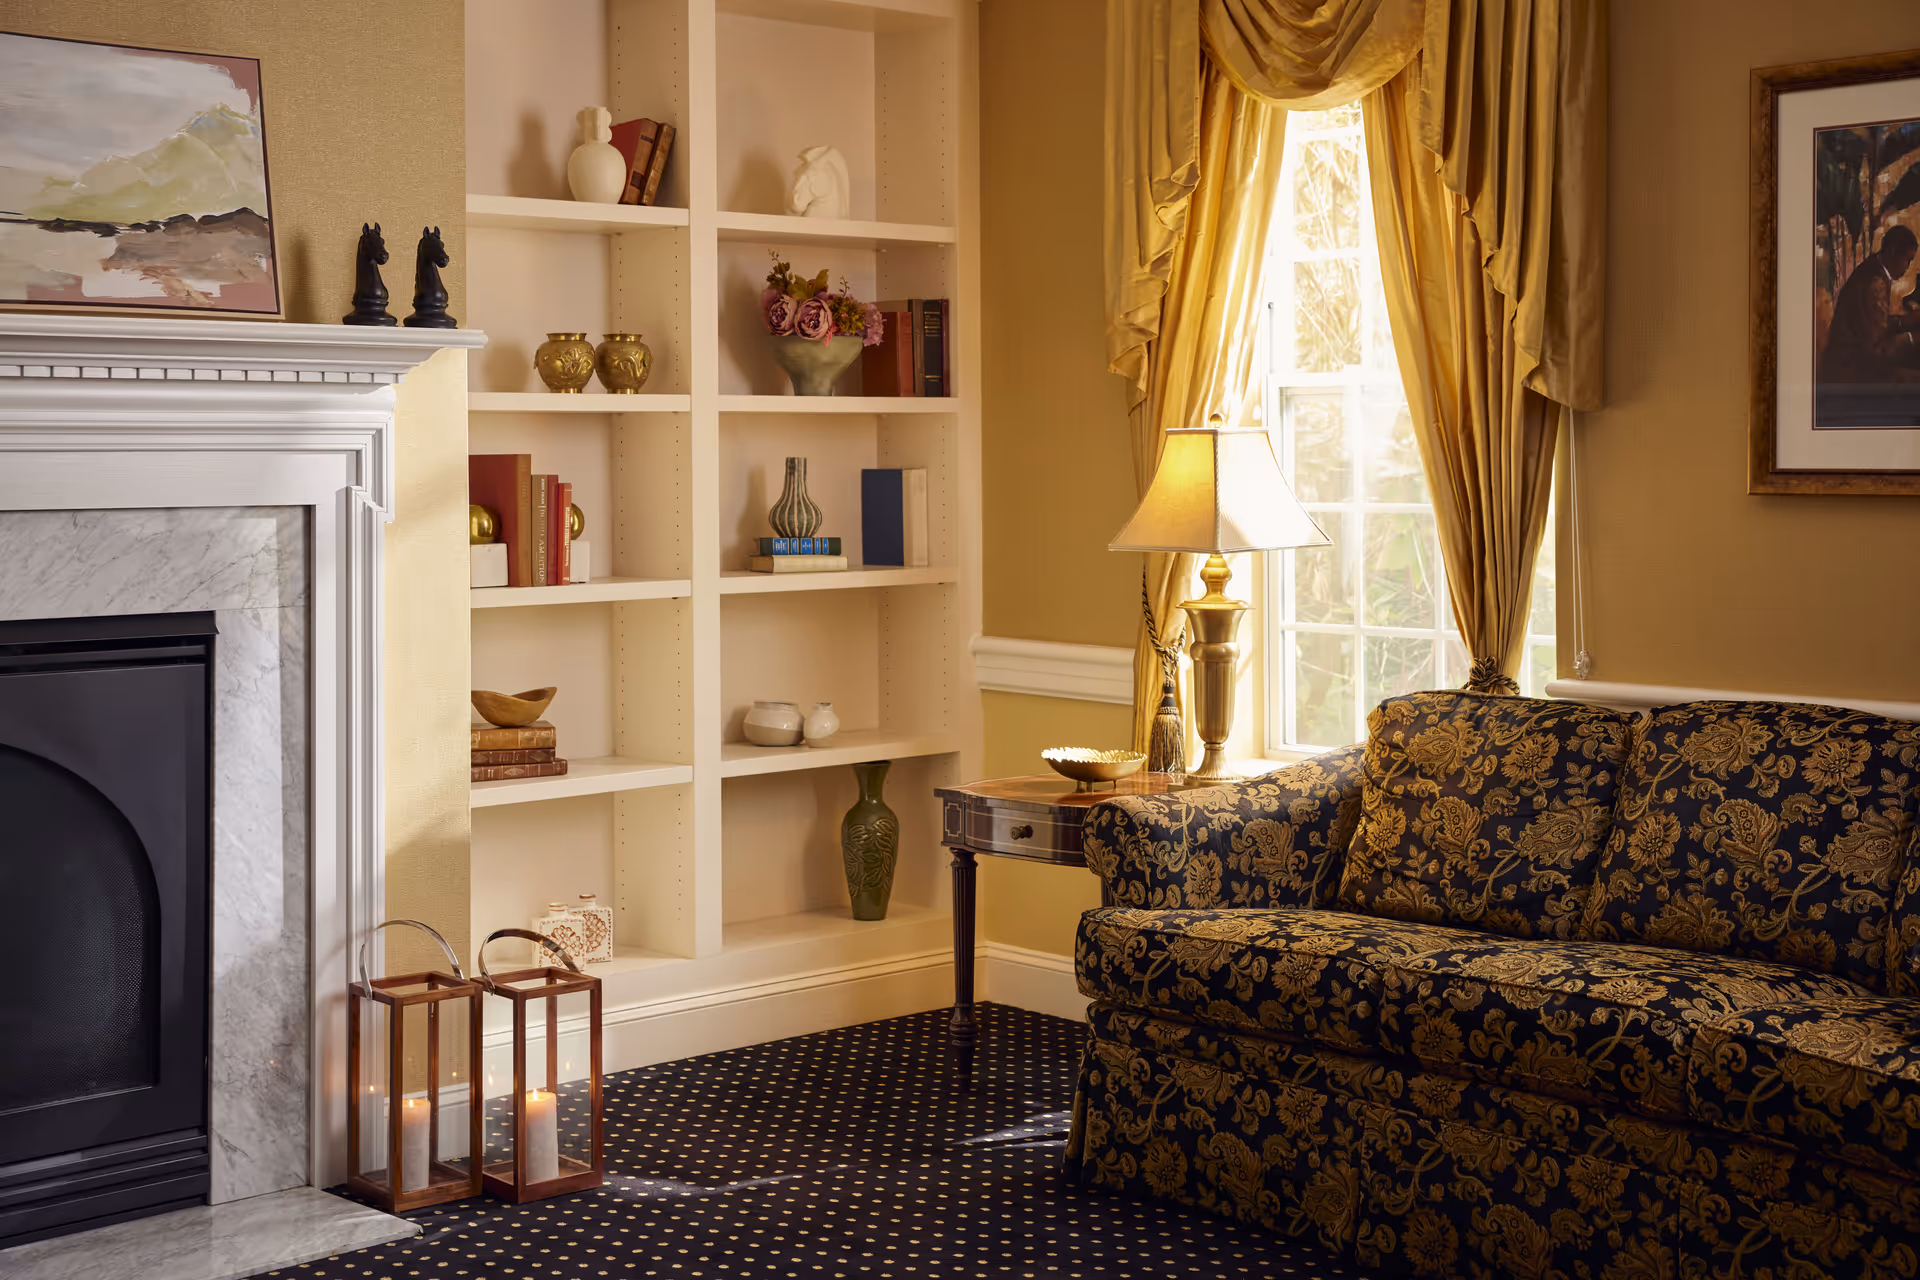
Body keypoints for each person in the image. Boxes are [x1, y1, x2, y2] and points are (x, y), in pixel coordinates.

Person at [1821, 224, 1920, 387]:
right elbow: (1877, 351)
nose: (1907, 267)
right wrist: (1912, 338)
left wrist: (1906, 320)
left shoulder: (1875, 269)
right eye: (1907, 260)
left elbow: (1876, 321)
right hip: (1850, 371)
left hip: (1855, 360)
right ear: (1892, 251)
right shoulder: (1874, 283)